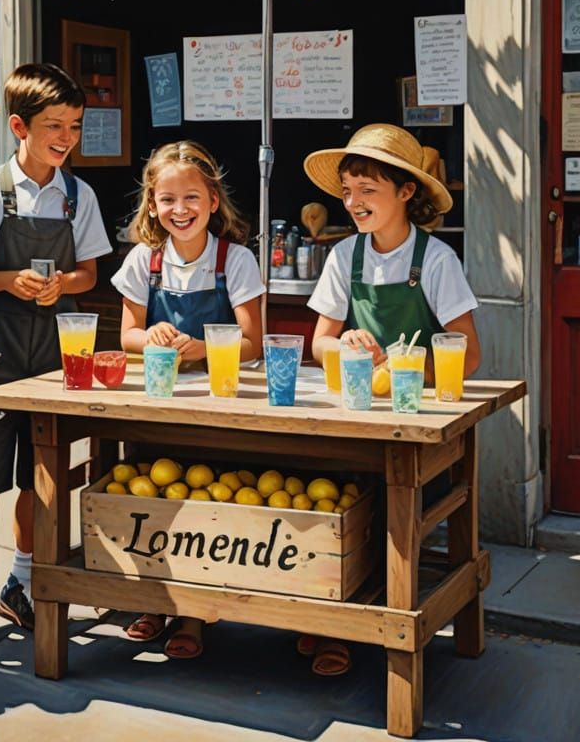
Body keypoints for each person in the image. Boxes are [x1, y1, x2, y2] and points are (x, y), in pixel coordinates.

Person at [301, 122, 481, 675]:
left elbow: (468, 354)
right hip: (359, 413)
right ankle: (322, 612)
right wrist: (345, 342)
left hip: (418, 418)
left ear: (407, 192)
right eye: (348, 191)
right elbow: (319, 344)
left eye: (368, 191)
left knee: (382, 503)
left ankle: (356, 625)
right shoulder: (344, 257)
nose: (353, 202)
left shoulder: (436, 260)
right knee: (325, 501)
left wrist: (407, 366)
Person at [0, 63, 111, 649]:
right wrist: (8, 280)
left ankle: (22, 581)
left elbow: (90, 272)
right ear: (19, 126)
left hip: (54, 351)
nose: (66, 137)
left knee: (41, 478)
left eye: (75, 126)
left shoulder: (77, 197)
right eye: (53, 126)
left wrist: (63, 285)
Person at [112, 140, 264, 659]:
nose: (181, 210)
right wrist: (151, 335)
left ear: (213, 201)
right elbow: (126, 335)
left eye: (192, 198)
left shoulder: (236, 260)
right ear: (151, 205)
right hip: (157, 405)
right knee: (152, 506)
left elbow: (252, 344)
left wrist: (202, 347)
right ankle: (152, 600)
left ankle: (195, 615)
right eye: (168, 199)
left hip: (218, 405)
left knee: (205, 507)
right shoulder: (143, 260)